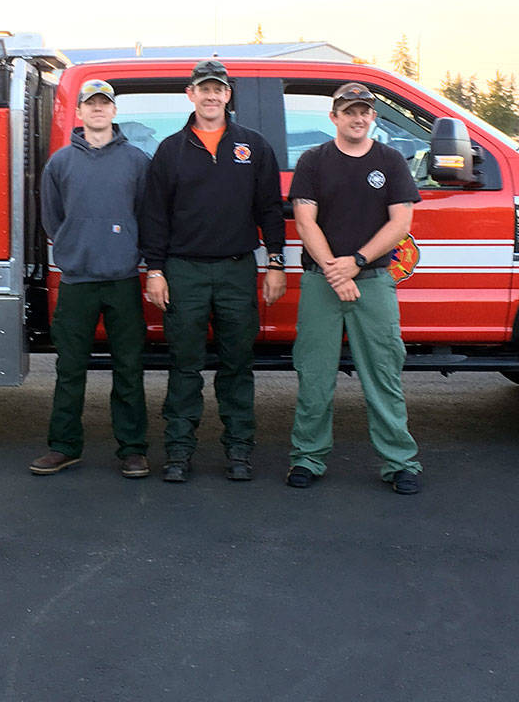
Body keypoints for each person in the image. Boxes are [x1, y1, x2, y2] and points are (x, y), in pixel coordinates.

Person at [139, 60, 286, 482]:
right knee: (185, 366)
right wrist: (155, 270)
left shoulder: (253, 146)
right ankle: (179, 452)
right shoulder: (170, 149)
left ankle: (239, 451)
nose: (211, 96)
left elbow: (270, 211)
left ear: (228, 95)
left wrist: (274, 262)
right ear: (191, 94)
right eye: (203, 89)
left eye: (218, 89)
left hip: (238, 271)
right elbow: (155, 217)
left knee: (237, 365)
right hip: (183, 272)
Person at [286, 82, 424, 495]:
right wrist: (334, 271)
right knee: (314, 376)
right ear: (334, 117)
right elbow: (304, 221)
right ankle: (307, 457)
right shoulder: (313, 161)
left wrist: (357, 263)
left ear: (373, 117)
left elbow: (401, 223)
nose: (357, 117)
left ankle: (400, 462)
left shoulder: (391, 161)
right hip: (321, 283)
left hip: (375, 282)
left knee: (383, 375)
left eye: (364, 110)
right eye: (349, 111)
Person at [30, 79, 152, 478]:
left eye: (105, 104)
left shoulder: (136, 161)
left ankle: (132, 449)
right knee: (70, 368)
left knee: (129, 368)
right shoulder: (60, 164)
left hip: (122, 279)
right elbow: (52, 219)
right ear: (79, 113)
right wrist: (73, 246)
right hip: (77, 281)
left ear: (114, 111)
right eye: (91, 104)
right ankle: (64, 446)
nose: (98, 110)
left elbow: (147, 217)